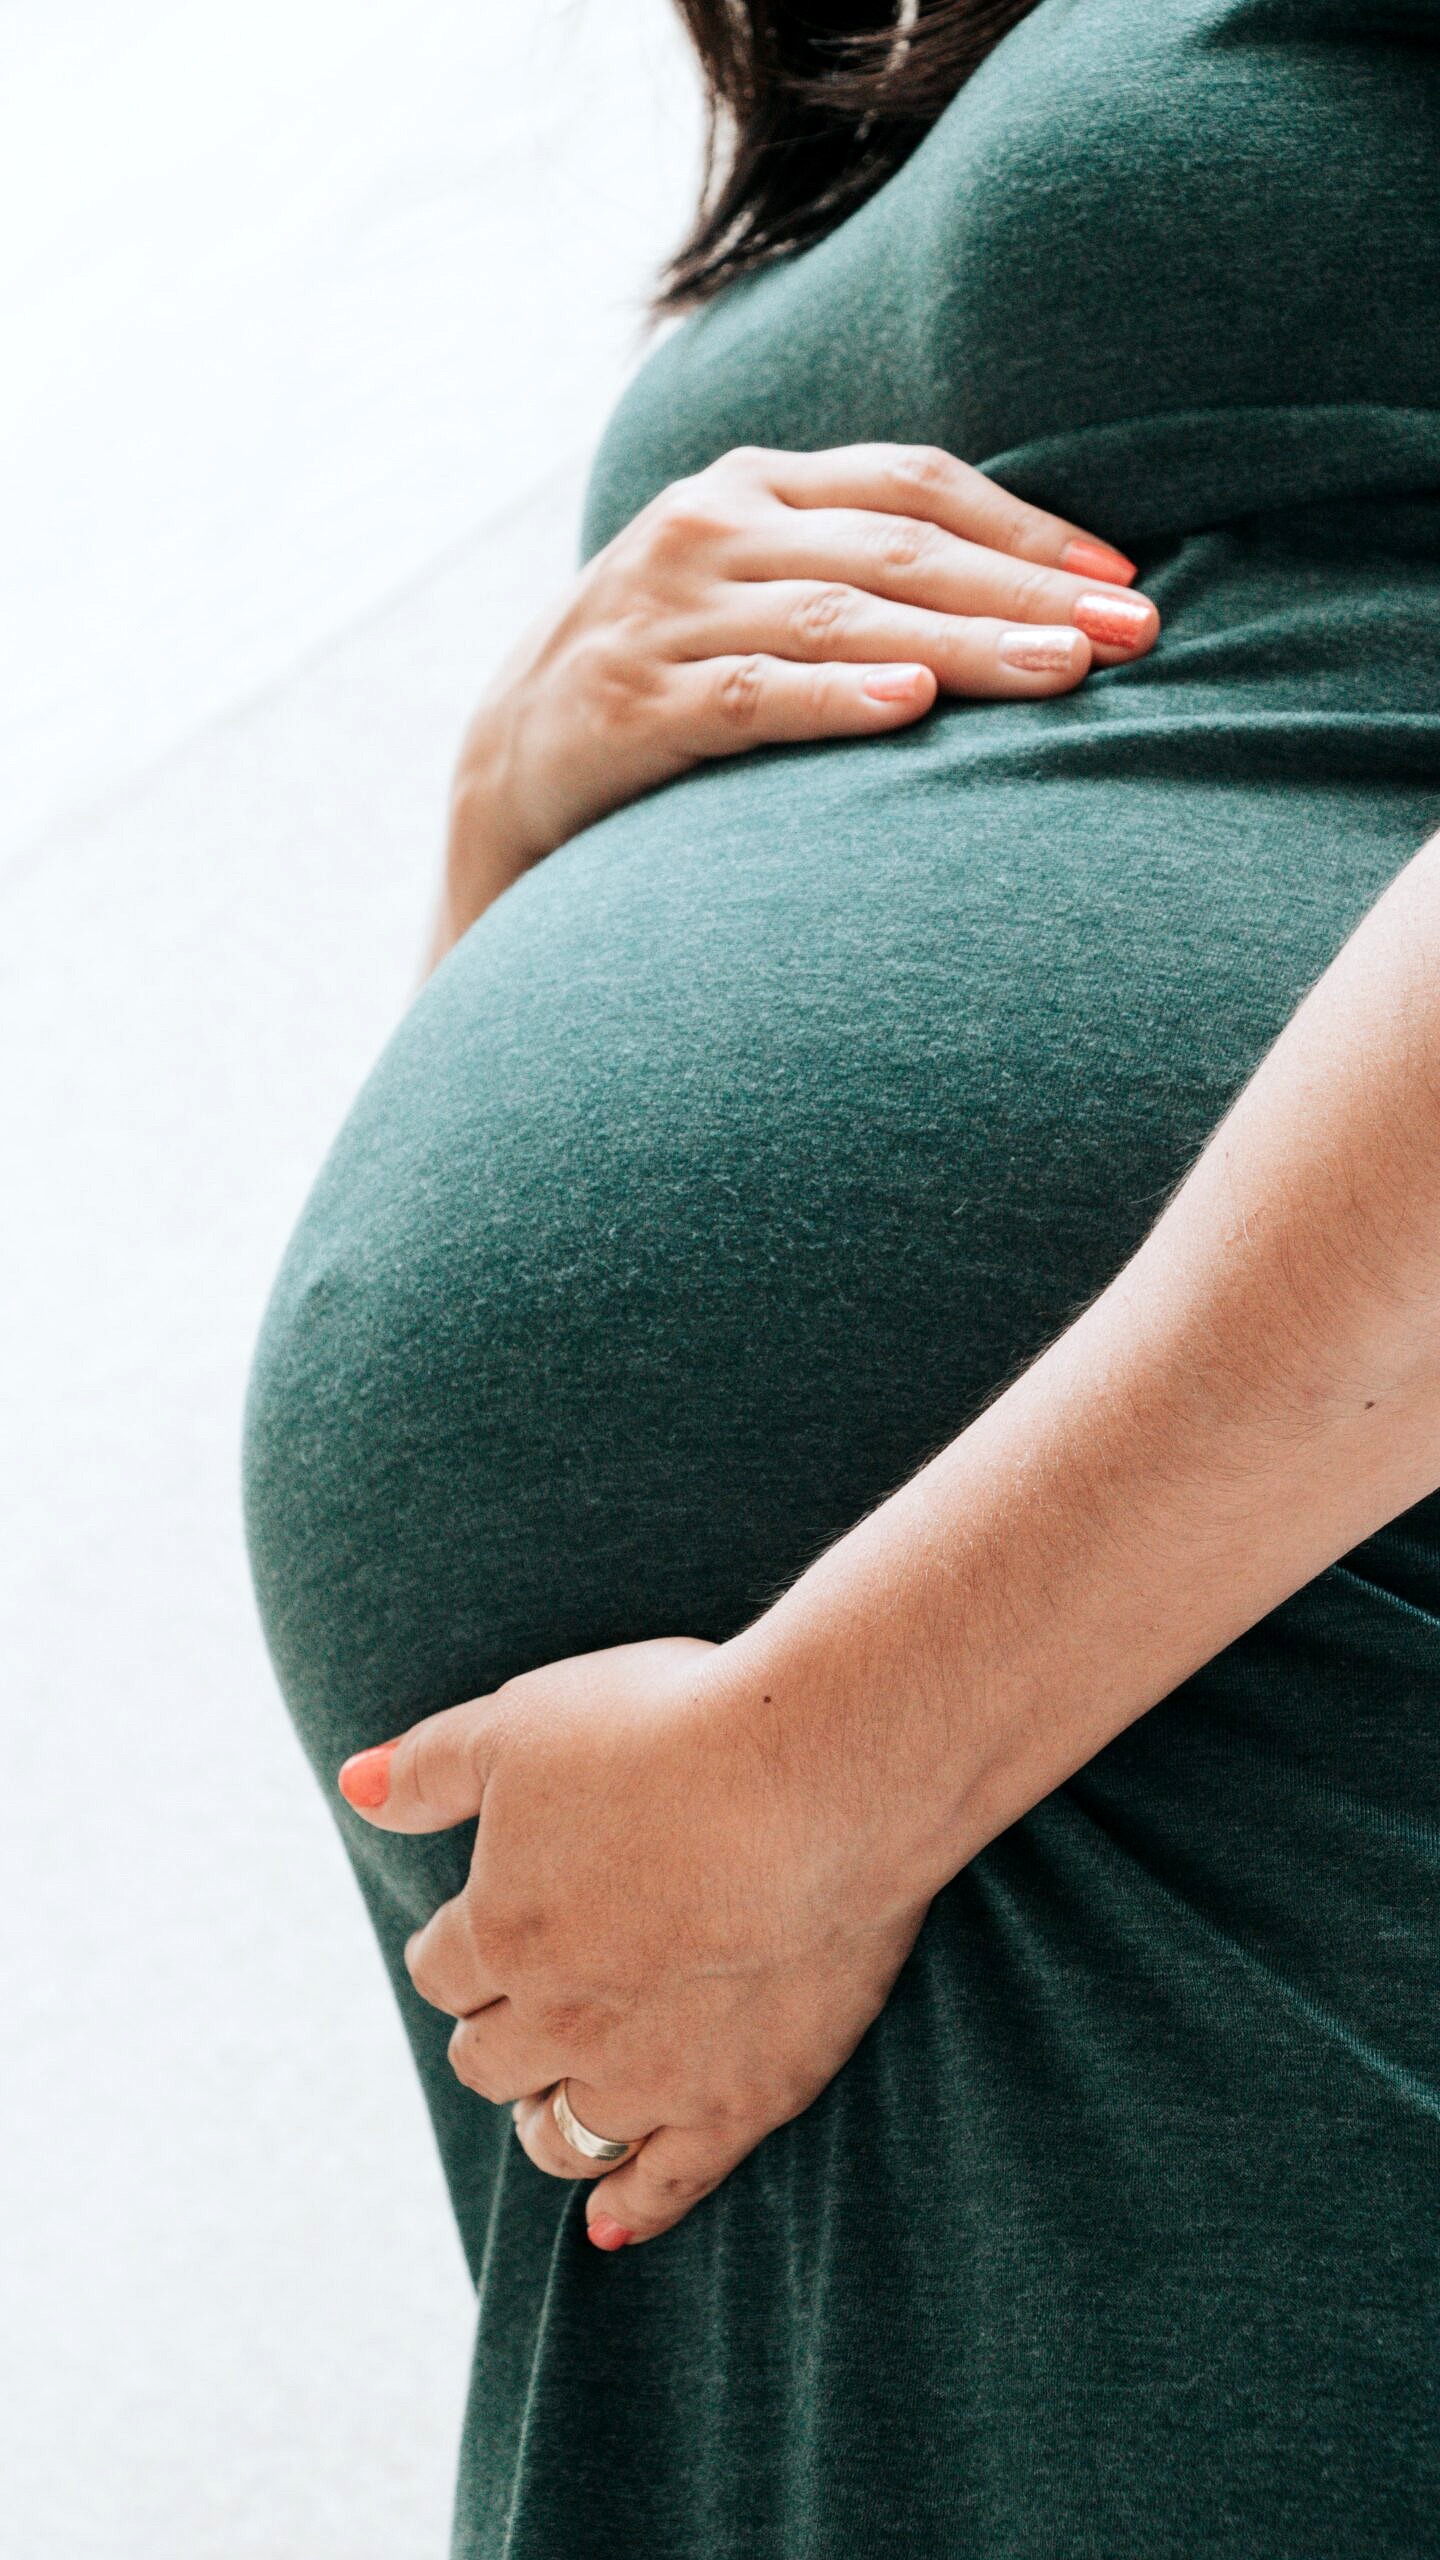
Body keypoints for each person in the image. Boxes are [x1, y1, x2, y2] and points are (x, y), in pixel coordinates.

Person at [243, 2, 1440, 2551]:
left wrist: (844, 1746)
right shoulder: (887, 82)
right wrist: (517, 812)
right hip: (708, 1996)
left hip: (1247, 1698)